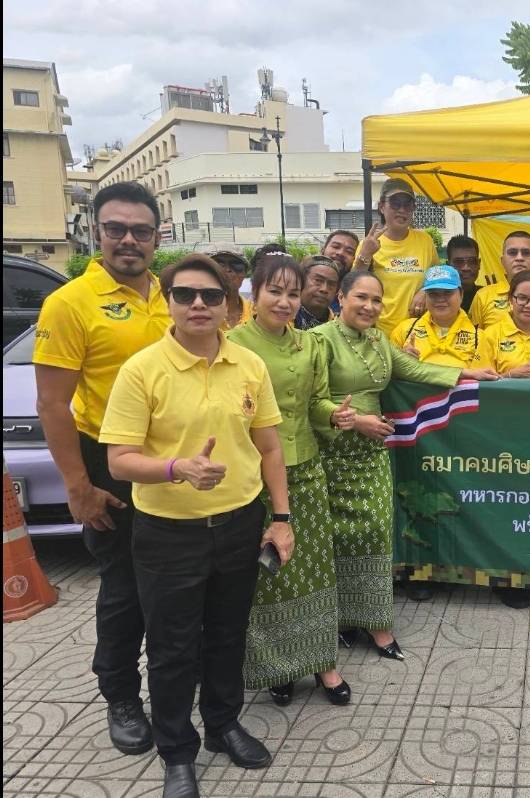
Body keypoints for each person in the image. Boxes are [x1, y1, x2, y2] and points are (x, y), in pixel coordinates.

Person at [99, 254, 295, 797]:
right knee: (172, 648)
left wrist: (281, 519)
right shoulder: (142, 370)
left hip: (238, 524)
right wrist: (176, 469)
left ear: (229, 304)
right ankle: (177, 752)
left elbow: (269, 447)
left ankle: (223, 724)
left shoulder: (249, 365)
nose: (198, 305)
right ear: (169, 303)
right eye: (185, 295)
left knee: (228, 635)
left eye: (211, 295)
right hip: (168, 533)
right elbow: (119, 461)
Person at [33, 181, 168, 758]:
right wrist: (78, 487)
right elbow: (52, 404)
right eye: (116, 229)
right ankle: (120, 696)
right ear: (96, 232)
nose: (128, 240)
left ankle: (174, 680)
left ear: (157, 237)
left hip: (172, 465)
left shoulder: (171, 293)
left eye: (141, 230)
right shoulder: (70, 303)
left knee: (175, 582)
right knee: (125, 589)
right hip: (108, 464)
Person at [311, 271, 497, 660]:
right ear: (340, 298)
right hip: (333, 450)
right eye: (361, 297)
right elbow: (310, 400)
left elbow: (413, 370)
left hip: (371, 452)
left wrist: (464, 374)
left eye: (377, 300)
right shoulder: (318, 340)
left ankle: (376, 622)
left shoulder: (379, 339)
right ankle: (341, 619)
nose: (369, 307)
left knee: (377, 532)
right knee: (336, 537)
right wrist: (354, 420)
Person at [227, 253, 354, 709]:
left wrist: (334, 414)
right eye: (275, 291)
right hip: (257, 477)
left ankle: (323, 663)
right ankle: (280, 666)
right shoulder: (233, 346)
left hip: (307, 467)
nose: (284, 302)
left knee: (316, 569)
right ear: (255, 293)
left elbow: (316, 402)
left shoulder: (308, 344)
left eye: (293, 294)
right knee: (272, 574)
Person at [353, 178, 438, 334]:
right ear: (381, 207)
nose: (402, 210)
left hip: (417, 332)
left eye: (407, 204)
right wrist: (365, 254)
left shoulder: (425, 241)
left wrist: (425, 291)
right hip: (380, 334)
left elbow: (437, 276)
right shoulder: (369, 243)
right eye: (395, 203)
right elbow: (354, 285)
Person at [475, 270, 530, 379]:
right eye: (522, 298)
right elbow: (480, 383)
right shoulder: (490, 335)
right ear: (510, 299)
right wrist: (511, 375)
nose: (529, 305)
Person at [390, 265, 479, 367]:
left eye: (447, 293)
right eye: (433, 294)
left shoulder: (478, 337)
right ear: (426, 296)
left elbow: (482, 375)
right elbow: (386, 371)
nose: (440, 299)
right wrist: (401, 361)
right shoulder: (405, 330)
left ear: (461, 294)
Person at [208, 248, 253, 331]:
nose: (227, 270)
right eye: (219, 265)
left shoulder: (256, 313)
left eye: (236, 265)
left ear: (244, 273)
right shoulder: (198, 313)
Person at [295, 255, 340, 329]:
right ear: (301, 281)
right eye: (318, 280)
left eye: (331, 284)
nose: (324, 289)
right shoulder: (284, 316)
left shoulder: (338, 326)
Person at [446, 234, 482, 313]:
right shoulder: (439, 298)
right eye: (459, 262)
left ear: (479, 264)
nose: (466, 268)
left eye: (472, 261)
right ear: (448, 266)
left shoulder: (486, 295)